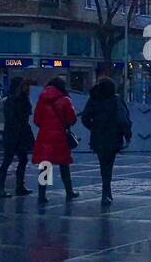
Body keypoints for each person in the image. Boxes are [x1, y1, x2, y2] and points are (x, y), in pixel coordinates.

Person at [81, 74, 132, 205]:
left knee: (102, 163)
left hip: (98, 137)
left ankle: (105, 191)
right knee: (109, 164)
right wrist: (127, 135)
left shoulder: (93, 99)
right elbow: (123, 119)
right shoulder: (116, 100)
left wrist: (94, 127)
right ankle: (106, 191)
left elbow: (85, 117)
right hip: (113, 136)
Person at [32, 76, 80, 203]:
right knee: (64, 165)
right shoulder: (65, 100)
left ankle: (42, 195)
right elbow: (71, 119)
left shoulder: (41, 100)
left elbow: (36, 120)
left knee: (45, 166)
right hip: (60, 137)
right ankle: (69, 191)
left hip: (45, 136)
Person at [0, 77, 34, 198]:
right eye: (24, 85)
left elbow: (27, 117)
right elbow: (12, 119)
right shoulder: (11, 101)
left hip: (21, 134)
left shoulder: (24, 99)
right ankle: (0, 188)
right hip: (13, 134)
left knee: (23, 160)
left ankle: (20, 186)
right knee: (7, 161)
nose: (26, 88)